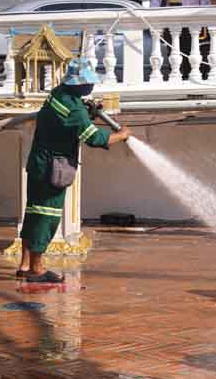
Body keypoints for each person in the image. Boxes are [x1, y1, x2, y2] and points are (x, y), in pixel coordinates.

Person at [17, 58, 131, 283]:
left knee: (33, 214)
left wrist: (86, 112)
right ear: (80, 84)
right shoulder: (74, 109)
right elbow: (95, 138)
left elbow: (66, 122)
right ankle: (36, 269)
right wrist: (123, 135)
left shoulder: (58, 94)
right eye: (89, 83)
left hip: (39, 164)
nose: (92, 87)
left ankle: (24, 264)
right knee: (46, 217)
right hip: (52, 169)